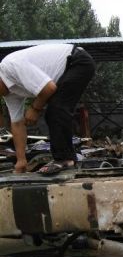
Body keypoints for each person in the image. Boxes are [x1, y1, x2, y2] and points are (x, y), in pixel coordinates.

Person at [0, 43, 95, 174]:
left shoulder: (10, 67)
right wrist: (21, 160)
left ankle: (64, 159)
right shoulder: (7, 92)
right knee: (55, 108)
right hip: (68, 69)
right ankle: (66, 157)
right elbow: (17, 124)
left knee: (56, 109)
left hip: (77, 62)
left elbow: (49, 88)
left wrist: (35, 109)